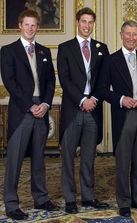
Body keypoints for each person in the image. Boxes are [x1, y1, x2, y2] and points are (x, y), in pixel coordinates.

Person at [97, 20, 137, 217]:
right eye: (128, 34)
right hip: (122, 116)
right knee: (123, 161)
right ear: (121, 35)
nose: (131, 38)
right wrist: (122, 99)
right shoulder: (110, 60)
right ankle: (124, 202)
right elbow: (101, 89)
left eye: (135, 34)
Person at [0, 9, 57, 220]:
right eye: (27, 25)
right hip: (21, 111)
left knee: (39, 159)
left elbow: (51, 80)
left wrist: (45, 103)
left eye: (34, 25)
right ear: (20, 26)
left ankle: (41, 198)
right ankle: (11, 203)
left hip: (41, 109)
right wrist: (29, 106)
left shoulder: (44, 51)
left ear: (38, 27)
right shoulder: (8, 51)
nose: (30, 29)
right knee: (14, 160)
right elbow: (10, 82)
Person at [57, 7, 110, 214]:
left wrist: (94, 99)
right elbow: (65, 79)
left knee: (88, 157)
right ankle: (70, 199)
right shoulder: (65, 47)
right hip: (73, 109)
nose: (87, 26)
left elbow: (103, 79)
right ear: (77, 23)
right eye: (84, 21)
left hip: (94, 110)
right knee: (68, 156)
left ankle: (88, 197)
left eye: (90, 22)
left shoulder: (101, 48)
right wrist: (81, 100)